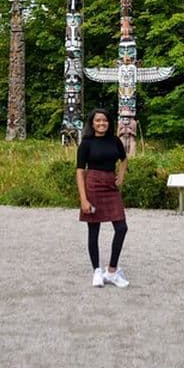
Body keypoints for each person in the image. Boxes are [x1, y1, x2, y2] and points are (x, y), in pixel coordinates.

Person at [76, 108, 130, 288]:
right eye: (97, 121)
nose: (101, 123)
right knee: (94, 230)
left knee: (121, 227)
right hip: (93, 184)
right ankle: (96, 271)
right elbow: (80, 171)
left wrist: (121, 175)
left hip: (110, 185)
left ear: (109, 122)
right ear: (92, 123)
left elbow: (123, 159)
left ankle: (112, 271)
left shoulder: (115, 140)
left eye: (104, 120)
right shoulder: (86, 143)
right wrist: (83, 199)